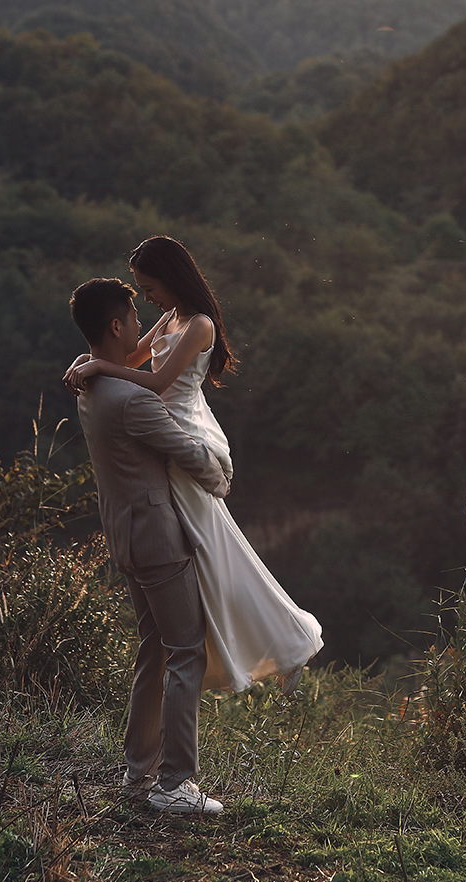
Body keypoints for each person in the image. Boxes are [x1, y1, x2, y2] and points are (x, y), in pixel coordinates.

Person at [64, 237, 322, 694]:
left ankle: (288, 643)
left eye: (149, 288)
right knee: (212, 553)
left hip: (182, 434)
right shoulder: (170, 318)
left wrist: (97, 369)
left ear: (171, 278)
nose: (146, 299)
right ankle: (268, 642)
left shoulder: (199, 324)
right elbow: (131, 358)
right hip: (161, 432)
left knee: (216, 551)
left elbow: (158, 381)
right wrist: (89, 360)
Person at [70, 276, 227, 815]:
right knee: (186, 651)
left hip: (124, 535)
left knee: (154, 650)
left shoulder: (90, 386)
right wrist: (220, 476)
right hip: (157, 539)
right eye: (135, 319)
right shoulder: (133, 400)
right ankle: (175, 784)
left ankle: (139, 775)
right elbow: (188, 452)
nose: (143, 328)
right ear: (117, 326)